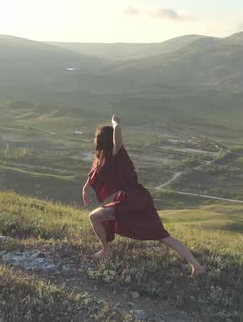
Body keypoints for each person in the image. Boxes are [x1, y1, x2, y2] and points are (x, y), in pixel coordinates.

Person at [82, 115, 206, 278]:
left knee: (96, 217)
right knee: (163, 236)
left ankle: (106, 251)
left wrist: (116, 123)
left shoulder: (117, 154)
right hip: (134, 198)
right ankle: (196, 266)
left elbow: (118, 132)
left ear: (100, 141)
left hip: (133, 199)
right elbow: (94, 174)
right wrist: (85, 188)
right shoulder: (104, 158)